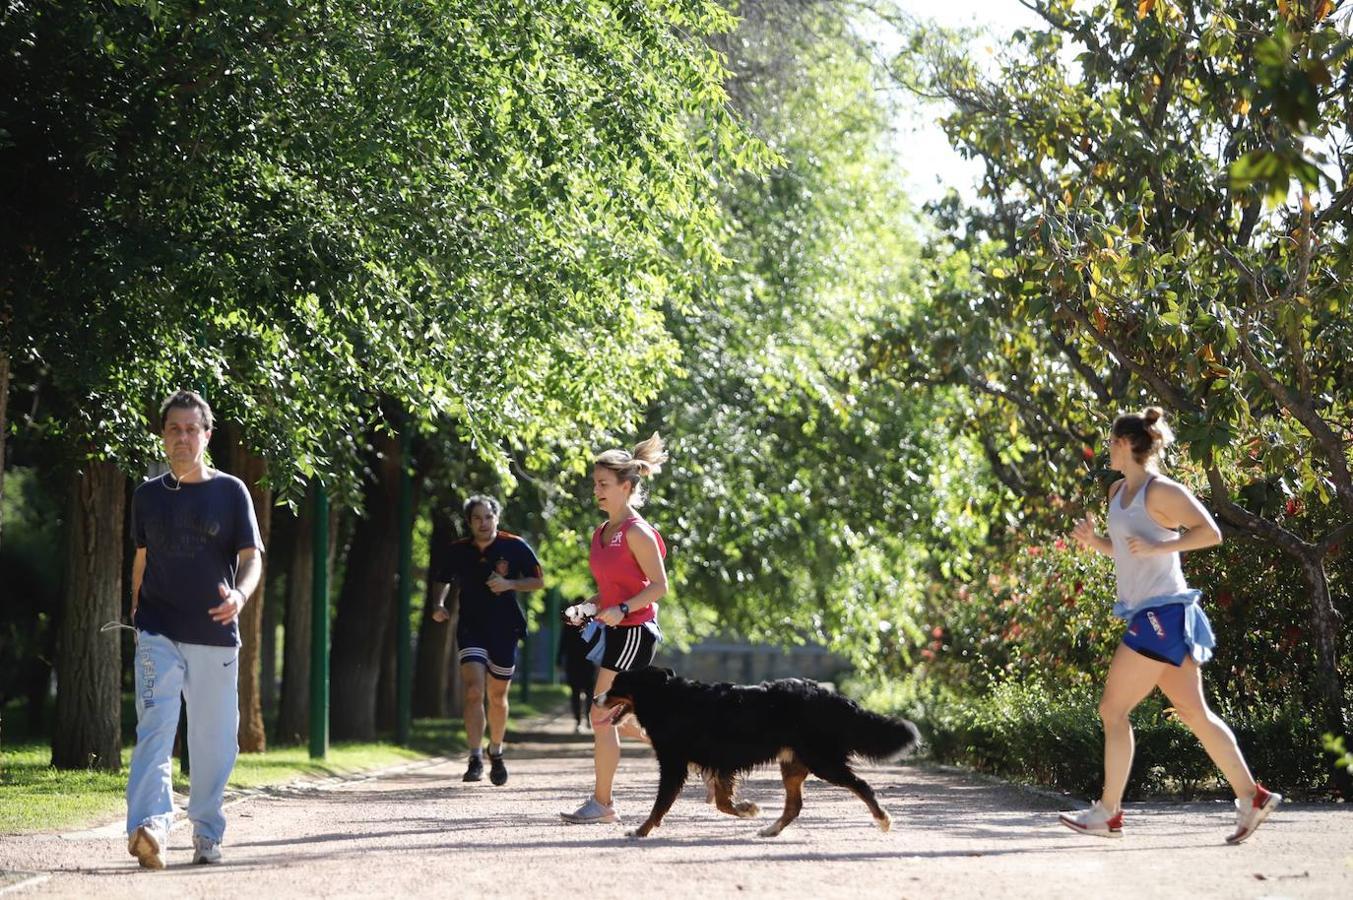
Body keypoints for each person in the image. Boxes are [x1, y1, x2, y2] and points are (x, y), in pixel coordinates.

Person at [1060, 407, 1280, 843]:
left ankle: (1108, 812)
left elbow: (1210, 532)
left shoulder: (1163, 492)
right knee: (1193, 713)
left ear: (1124, 445)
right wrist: (1096, 544)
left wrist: (1168, 545)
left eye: (1111, 443)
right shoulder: (1118, 492)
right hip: (1152, 613)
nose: (1108, 449)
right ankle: (1251, 796)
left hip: (1161, 613)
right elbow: (1127, 551)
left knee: (1112, 709)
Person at [126, 390, 264, 869]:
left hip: (214, 631)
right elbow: (141, 561)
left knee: (214, 741)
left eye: (191, 429)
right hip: (157, 629)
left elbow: (251, 559)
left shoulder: (230, 492)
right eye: (173, 429)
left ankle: (206, 831)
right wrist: (137, 617)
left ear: (206, 436)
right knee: (155, 727)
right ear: (163, 437)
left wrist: (240, 596)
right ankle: (150, 827)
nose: (182, 437)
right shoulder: (146, 497)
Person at [561, 434, 669, 825]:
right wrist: (588, 607)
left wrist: (622, 608)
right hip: (618, 630)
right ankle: (689, 750)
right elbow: (609, 587)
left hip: (637, 630)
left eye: (604, 485)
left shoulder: (638, 532)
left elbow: (659, 587)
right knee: (610, 715)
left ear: (627, 487)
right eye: (595, 484)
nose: (597, 491)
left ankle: (603, 804)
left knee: (600, 712)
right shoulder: (601, 532)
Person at [430, 495, 544, 786]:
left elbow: (537, 581)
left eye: (488, 517)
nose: (484, 523)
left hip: (505, 628)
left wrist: (509, 584)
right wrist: (439, 604)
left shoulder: (514, 546)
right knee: (473, 690)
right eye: (477, 518)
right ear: (469, 522)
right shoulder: (457, 550)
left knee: (497, 696)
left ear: (497, 518)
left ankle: (496, 750)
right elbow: (442, 578)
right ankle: (474, 756)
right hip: (471, 627)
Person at [557, 600, 597, 732]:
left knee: (576, 693)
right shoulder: (591, 623)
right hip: (586, 662)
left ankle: (579, 721)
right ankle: (586, 720)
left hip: (575, 663)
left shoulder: (569, 625)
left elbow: (562, 644)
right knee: (589, 693)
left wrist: (559, 660)